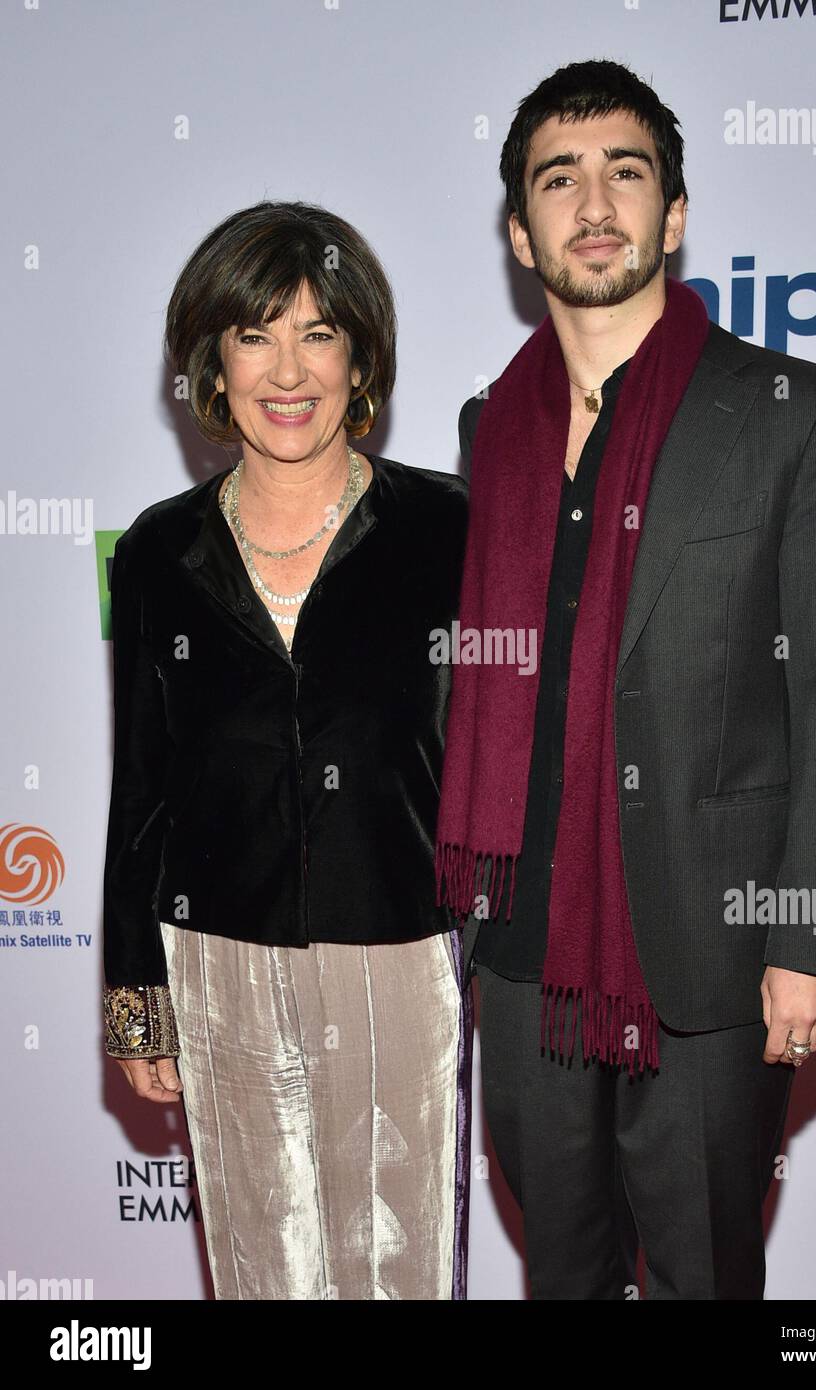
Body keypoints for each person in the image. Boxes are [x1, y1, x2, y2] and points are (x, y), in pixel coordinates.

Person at [436, 59, 816, 1299]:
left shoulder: (796, 412)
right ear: (522, 232)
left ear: (673, 214)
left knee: (701, 1273)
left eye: (625, 172)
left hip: (714, 948)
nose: (594, 203)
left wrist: (809, 935)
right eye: (558, 178)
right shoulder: (488, 429)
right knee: (560, 1276)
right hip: (522, 953)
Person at [102, 200, 472, 1300]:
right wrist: (136, 996)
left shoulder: (448, 529)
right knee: (262, 1271)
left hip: (403, 947)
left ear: (360, 356)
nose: (287, 367)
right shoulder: (161, 548)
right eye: (255, 332)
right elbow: (143, 783)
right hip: (215, 957)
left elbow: (502, 766)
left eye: (319, 331)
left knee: (403, 1267)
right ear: (213, 362)